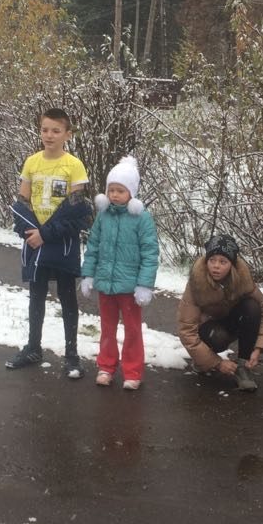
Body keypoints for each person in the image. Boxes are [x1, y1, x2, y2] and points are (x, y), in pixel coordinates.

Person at [7, 108, 92, 379]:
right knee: (36, 296)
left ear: (67, 134)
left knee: (67, 297)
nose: (49, 135)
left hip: (62, 242)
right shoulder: (32, 162)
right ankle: (33, 348)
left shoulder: (74, 165)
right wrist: (30, 232)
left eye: (56, 130)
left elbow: (77, 212)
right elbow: (21, 204)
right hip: (35, 241)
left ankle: (71, 355)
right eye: (45, 129)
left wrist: (47, 233)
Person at [79, 156, 160, 390]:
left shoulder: (141, 218)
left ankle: (132, 371)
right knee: (107, 328)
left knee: (133, 330)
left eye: (120, 190)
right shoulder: (103, 216)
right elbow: (93, 246)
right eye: (111, 190)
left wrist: (144, 285)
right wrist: (88, 275)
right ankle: (106, 366)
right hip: (106, 284)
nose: (115, 195)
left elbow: (150, 252)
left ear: (131, 193)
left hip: (130, 287)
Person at [177, 235, 263, 392]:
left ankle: (243, 368)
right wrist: (217, 363)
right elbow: (186, 331)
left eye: (223, 262)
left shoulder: (243, 279)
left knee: (252, 307)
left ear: (232, 264)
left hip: (231, 323)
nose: (216, 266)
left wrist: (258, 348)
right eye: (212, 260)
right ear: (206, 261)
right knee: (217, 336)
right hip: (207, 331)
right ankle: (202, 361)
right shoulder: (196, 283)